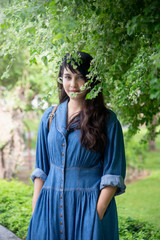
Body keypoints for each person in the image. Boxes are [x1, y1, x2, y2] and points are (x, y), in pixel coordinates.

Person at [27, 51, 126, 240]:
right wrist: (37, 210)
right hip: (49, 208)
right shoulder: (49, 117)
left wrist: (96, 215)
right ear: (60, 78)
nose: (73, 85)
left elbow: (113, 173)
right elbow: (41, 170)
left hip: (89, 209)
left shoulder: (108, 121)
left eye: (80, 77)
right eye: (67, 77)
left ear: (92, 80)